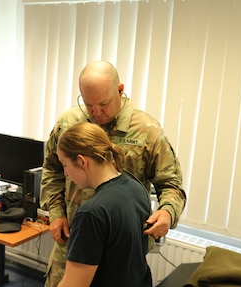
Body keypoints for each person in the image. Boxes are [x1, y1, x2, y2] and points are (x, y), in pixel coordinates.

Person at [40, 60, 186, 286]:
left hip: (119, 253)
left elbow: (171, 184)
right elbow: (52, 169)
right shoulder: (68, 123)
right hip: (73, 244)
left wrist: (167, 212)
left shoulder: (147, 132)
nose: (96, 112)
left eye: (103, 103)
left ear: (120, 90)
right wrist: (56, 212)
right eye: (88, 104)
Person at [55, 122, 152, 287]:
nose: (65, 173)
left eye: (65, 165)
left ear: (81, 161)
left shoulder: (91, 214)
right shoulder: (136, 189)